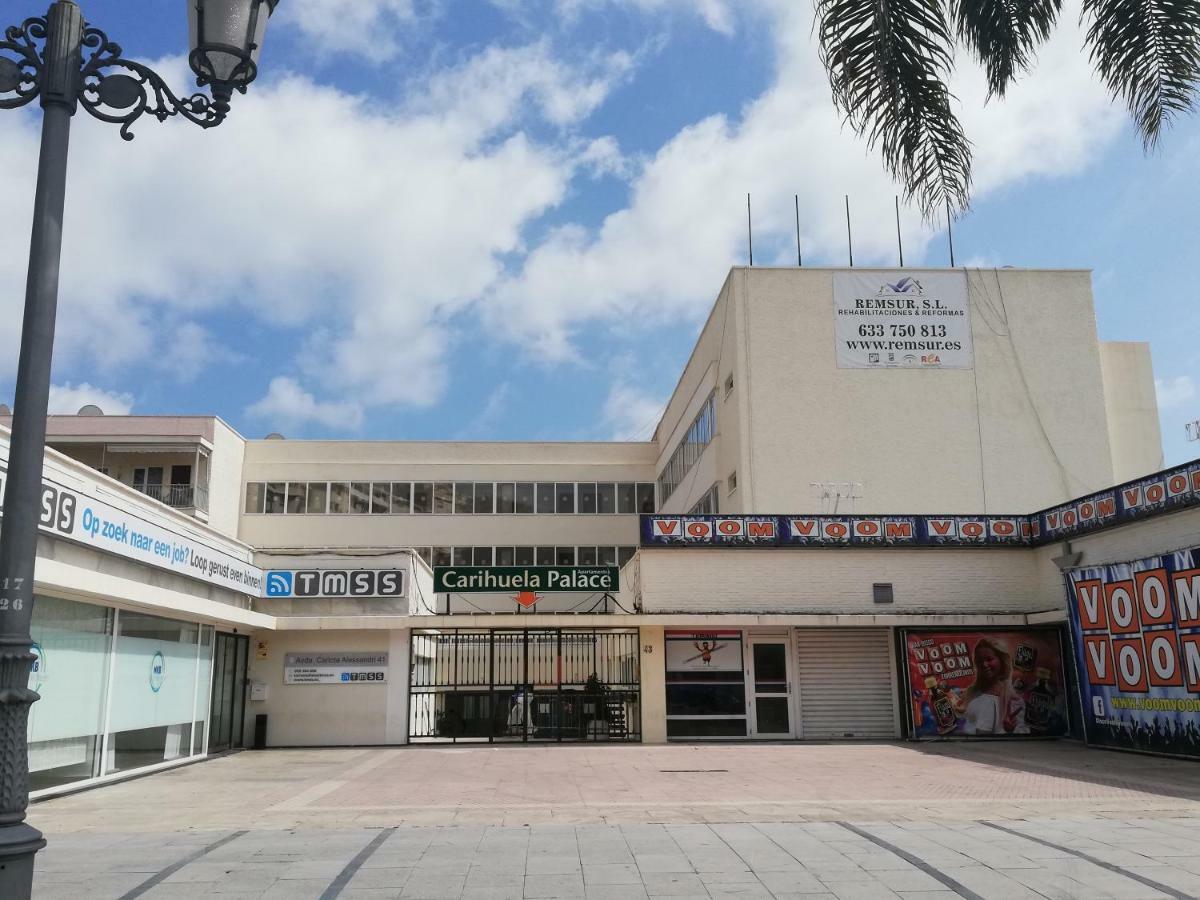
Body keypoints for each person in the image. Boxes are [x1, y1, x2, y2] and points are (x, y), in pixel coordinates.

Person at [963, 638, 1024, 735]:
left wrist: (1010, 731)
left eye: (989, 659)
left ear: (1001, 660)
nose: (984, 664)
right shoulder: (971, 692)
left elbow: (1024, 735)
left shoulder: (1014, 700)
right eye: (979, 661)